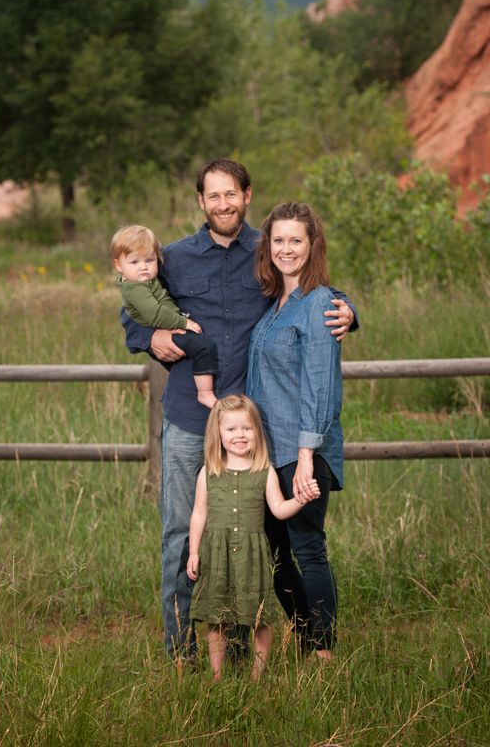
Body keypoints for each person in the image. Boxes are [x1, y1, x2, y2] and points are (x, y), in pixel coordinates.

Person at [121, 158, 358, 660]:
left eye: (232, 194)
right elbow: (133, 303)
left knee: (247, 538)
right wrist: (151, 335)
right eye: (213, 196)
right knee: (184, 533)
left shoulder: (268, 249)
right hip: (191, 419)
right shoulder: (177, 257)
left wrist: (351, 312)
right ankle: (183, 651)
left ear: (247, 195)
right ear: (201, 202)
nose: (223, 204)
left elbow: (313, 293)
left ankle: (242, 642)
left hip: (253, 428)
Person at [246, 201, 346, 662]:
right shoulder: (274, 304)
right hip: (268, 454)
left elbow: (320, 385)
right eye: (279, 240)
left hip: (302, 450)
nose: (286, 249)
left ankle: (322, 653)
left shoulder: (320, 302)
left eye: (296, 240)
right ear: (269, 245)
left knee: (308, 549)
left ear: (312, 245)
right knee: (276, 557)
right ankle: (307, 639)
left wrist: (306, 454)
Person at [187, 395, 320, 680]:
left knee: (259, 616)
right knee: (218, 618)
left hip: (253, 555)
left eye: (246, 428)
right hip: (217, 554)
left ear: (256, 432)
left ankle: (257, 676)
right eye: (232, 429)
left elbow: (280, 509)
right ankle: (217, 676)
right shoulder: (209, 472)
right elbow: (199, 513)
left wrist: (301, 498)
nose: (240, 435)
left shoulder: (265, 471)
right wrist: (194, 552)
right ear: (218, 433)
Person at [111, 224, 218, 409]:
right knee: (203, 347)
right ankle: (205, 393)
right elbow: (154, 313)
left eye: (149, 260)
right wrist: (183, 322)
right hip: (169, 327)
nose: (143, 267)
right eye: (134, 262)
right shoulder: (136, 288)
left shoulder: (146, 281)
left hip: (170, 324)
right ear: (118, 265)